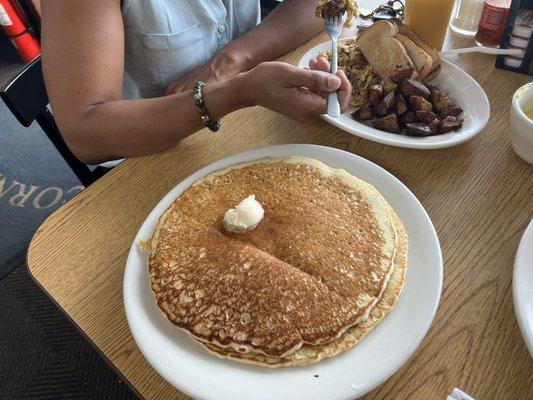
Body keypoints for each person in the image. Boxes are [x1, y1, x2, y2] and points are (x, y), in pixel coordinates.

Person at [42, 0, 351, 164]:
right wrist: (235, 92)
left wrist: (234, 58)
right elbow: (85, 135)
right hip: (145, 152)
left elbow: (324, 4)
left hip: (250, 115)